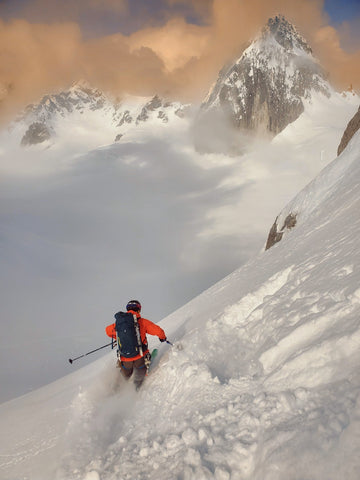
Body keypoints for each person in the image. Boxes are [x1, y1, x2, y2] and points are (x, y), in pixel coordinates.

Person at [105, 300, 166, 390]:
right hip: (140, 357)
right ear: (138, 310)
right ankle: (135, 391)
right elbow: (159, 331)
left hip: (125, 358)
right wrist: (162, 338)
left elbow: (107, 331)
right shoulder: (142, 322)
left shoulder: (119, 324)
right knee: (139, 375)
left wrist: (121, 337)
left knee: (124, 375)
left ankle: (115, 391)